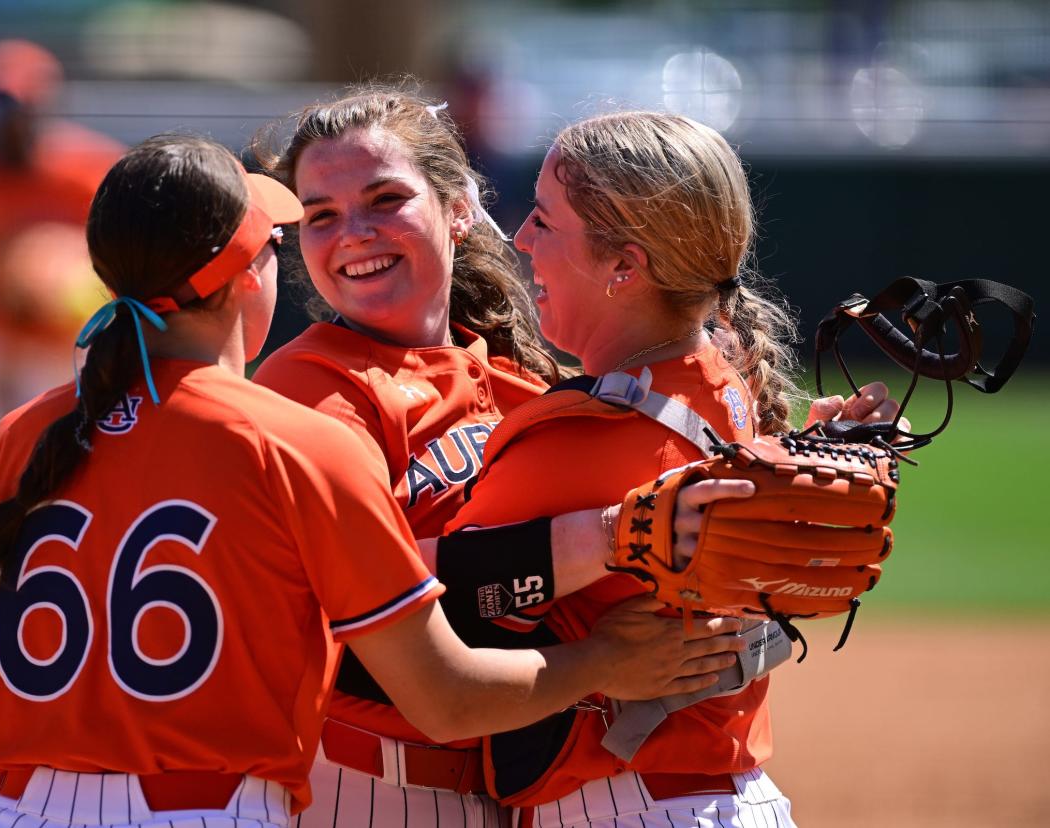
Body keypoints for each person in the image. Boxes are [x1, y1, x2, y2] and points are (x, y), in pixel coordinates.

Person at [0, 134, 746, 828]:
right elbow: (448, 698)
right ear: (243, 277)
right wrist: (605, 663)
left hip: (16, 810)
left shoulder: (22, 438)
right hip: (211, 812)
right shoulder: (293, 441)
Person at [252, 88, 896, 827]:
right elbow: (337, 610)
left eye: (384, 198)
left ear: (459, 209)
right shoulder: (311, 388)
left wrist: (783, 465)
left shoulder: (535, 384)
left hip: (528, 784)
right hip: (374, 786)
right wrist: (603, 590)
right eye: (321, 214)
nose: (353, 233)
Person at [441, 110, 871, 827]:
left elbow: (412, 601)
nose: (520, 240)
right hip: (736, 799)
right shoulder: (728, 381)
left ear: (623, 267)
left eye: (545, 222)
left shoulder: (580, 433)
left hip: (621, 808)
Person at [0, 38, 124, 447]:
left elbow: (132, 259)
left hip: (78, 344)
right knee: (2, 470)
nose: (6, 123)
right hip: (0, 344)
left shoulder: (92, 170)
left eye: (17, 110)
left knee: (82, 469)